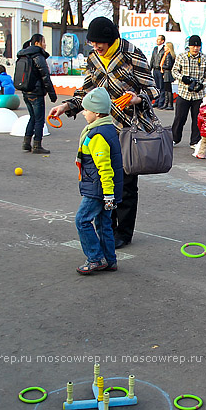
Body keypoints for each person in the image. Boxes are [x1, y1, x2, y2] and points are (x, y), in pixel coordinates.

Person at [47, 16, 158, 249]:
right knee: (104, 181)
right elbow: (87, 91)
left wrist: (137, 98)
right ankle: (107, 227)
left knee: (126, 183)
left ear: (111, 39)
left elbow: (152, 89)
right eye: (92, 43)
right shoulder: (93, 58)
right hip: (102, 129)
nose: (96, 47)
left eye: (100, 43)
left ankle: (123, 233)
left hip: (128, 128)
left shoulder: (131, 53)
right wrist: (67, 106)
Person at [74, 87, 123, 274]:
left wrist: (108, 194)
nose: (84, 113)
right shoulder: (108, 128)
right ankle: (110, 260)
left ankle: (95, 258)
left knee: (82, 220)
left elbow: (105, 168)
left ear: (96, 112)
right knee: (103, 223)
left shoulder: (97, 135)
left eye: (86, 110)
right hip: (102, 187)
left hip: (97, 188)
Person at [17, 33, 57, 154]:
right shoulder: (38, 56)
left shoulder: (23, 55)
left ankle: (26, 142)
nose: (45, 44)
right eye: (43, 41)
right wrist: (52, 94)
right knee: (39, 119)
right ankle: (37, 145)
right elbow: (45, 76)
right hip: (36, 92)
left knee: (32, 117)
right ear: (37, 43)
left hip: (26, 91)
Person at [171, 34, 206, 148]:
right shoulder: (182, 57)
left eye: (197, 46)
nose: (195, 48)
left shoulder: (204, 58)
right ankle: (174, 138)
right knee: (179, 118)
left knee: (198, 120)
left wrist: (202, 85)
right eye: (193, 46)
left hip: (198, 95)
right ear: (189, 46)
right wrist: (182, 78)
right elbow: (174, 71)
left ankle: (195, 141)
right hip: (184, 93)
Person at [149, 35, 166, 108]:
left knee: (162, 87)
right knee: (156, 86)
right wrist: (150, 68)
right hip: (155, 69)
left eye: (159, 39)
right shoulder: (155, 49)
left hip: (160, 70)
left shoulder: (164, 49)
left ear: (162, 41)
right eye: (157, 39)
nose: (157, 41)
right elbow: (152, 59)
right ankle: (156, 101)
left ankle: (161, 102)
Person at [158, 42, 175, 110]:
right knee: (166, 89)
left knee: (168, 89)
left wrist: (162, 66)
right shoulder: (166, 54)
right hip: (166, 73)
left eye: (165, 47)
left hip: (167, 73)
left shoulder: (168, 55)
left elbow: (169, 65)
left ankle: (169, 104)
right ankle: (167, 103)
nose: (164, 48)